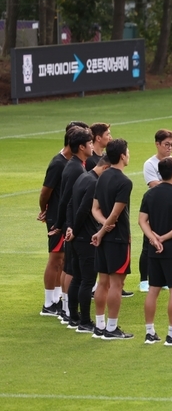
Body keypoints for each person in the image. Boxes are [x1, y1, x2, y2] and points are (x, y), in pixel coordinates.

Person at [139, 157, 172, 346]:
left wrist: (153, 238)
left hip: (154, 251)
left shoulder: (150, 194)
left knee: (153, 290)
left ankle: (149, 332)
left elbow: (142, 221)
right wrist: (163, 238)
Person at [38, 122, 87, 317]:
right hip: (57, 217)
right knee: (56, 258)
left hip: (64, 216)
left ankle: (57, 299)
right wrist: (45, 211)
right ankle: (49, 303)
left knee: (64, 259)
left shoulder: (70, 162)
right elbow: (45, 192)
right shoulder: (58, 163)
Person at [91, 138, 134, 340]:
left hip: (104, 236)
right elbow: (116, 214)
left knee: (102, 283)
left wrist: (101, 226)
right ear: (123, 156)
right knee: (117, 284)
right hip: (117, 238)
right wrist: (103, 230)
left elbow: (95, 209)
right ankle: (111, 328)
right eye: (128, 151)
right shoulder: (125, 182)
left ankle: (99, 325)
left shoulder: (103, 176)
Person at [140, 129, 172, 292]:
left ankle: (161, 280)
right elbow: (153, 185)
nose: (170, 148)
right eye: (166, 144)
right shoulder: (150, 163)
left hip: (168, 203)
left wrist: (166, 184)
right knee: (148, 246)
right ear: (157, 144)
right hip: (155, 207)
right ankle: (143, 279)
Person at [53, 126, 94, 326]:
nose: (93, 146)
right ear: (81, 146)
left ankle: (70, 313)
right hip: (75, 229)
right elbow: (66, 201)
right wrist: (64, 226)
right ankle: (72, 314)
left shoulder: (75, 165)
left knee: (73, 271)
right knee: (75, 272)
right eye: (90, 143)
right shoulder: (76, 168)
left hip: (71, 227)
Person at [68, 155, 112, 335]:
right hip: (86, 238)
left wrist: (70, 228)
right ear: (106, 168)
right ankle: (84, 321)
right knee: (87, 280)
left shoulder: (83, 176)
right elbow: (84, 209)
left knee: (77, 278)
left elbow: (71, 205)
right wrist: (76, 231)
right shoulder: (94, 183)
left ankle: (73, 317)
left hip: (76, 237)